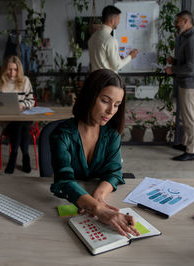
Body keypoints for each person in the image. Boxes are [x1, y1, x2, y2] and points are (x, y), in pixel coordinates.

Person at [50, 69, 140, 237]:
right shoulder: (62, 134)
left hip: (90, 201)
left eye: (117, 105)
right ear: (90, 97)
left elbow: (114, 173)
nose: (111, 111)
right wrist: (98, 209)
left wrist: (98, 196)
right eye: (105, 101)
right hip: (65, 207)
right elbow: (64, 180)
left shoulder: (112, 134)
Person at [165, 10, 194, 161]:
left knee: (190, 119)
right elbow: (187, 61)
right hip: (187, 83)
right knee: (186, 117)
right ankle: (186, 144)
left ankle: (192, 151)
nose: (176, 24)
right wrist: (174, 61)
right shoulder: (185, 37)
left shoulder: (192, 39)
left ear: (186, 22)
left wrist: (173, 70)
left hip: (191, 84)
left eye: (178, 21)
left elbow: (191, 67)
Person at [0, 55, 35, 173]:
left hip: (23, 117)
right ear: (5, 69)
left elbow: (31, 100)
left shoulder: (25, 81)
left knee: (21, 123)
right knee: (19, 125)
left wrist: (23, 105)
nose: (12, 73)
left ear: (19, 69)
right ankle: (25, 155)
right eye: (9, 69)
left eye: (15, 69)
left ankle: (13, 155)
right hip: (7, 121)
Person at [88, 5, 138, 73]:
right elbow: (117, 66)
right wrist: (130, 56)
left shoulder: (92, 38)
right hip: (108, 81)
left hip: (95, 81)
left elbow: (101, 60)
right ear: (112, 20)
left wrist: (117, 58)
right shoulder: (110, 40)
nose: (119, 22)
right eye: (118, 19)